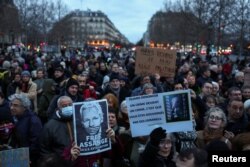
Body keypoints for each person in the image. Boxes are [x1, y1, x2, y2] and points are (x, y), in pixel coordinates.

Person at [9, 93, 42, 167]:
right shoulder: (17, 118)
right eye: (11, 104)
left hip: (30, 160)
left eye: (15, 105)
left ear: (24, 107)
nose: (11, 107)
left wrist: (27, 157)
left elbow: (36, 143)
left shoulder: (33, 120)